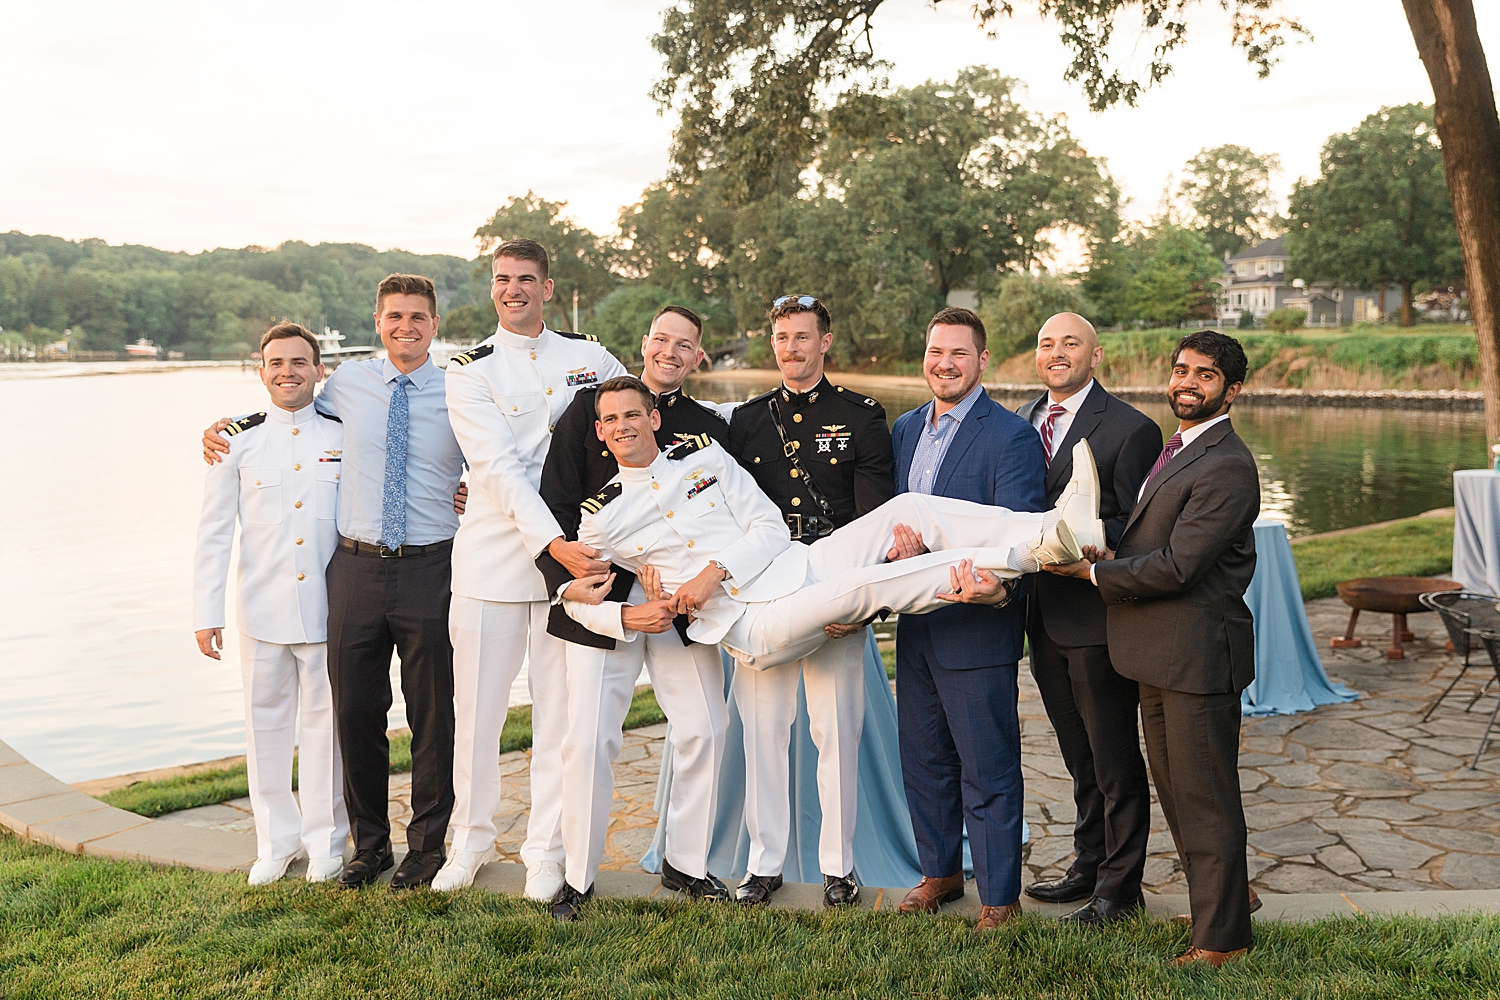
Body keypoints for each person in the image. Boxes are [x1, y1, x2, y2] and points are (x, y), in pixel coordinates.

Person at [563, 375, 1088, 692]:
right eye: (610, 419)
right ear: (602, 432)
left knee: (906, 508)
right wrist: (629, 615)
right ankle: (1028, 554)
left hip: (794, 564)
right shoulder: (600, 516)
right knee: (866, 587)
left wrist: (712, 573)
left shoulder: (703, 455)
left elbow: (769, 526)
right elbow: (572, 599)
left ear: (654, 419)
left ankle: (1054, 529)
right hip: (749, 624)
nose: (622, 424)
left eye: (633, 413)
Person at [204, 274, 466, 889]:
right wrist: (224, 428)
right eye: (394, 316)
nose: (406, 327)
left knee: (433, 714)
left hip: (433, 564)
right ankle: (367, 846)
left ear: (434, 324)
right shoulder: (347, 383)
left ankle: (427, 846)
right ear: (377, 322)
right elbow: (284, 406)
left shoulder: (461, 387)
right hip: (353, 570)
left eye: (418, 317)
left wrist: (472, 491)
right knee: (354, 713)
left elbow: (499, 457)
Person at [1047, 330, 1260, 967]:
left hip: (1197, 656)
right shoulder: (1178, 450)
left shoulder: (1227, 463)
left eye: (1204, 375)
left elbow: (1179, 567)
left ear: (1232, 391)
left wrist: (1091, 576)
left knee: (1205, 796)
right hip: (1157, 654)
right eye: (1180, 371)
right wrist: (1106, 552)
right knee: (1178, 791)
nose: (1187, 383)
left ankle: (1221, 942)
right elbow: (1152, 543)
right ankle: (1225, 898)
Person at [432, 239, 627, 899]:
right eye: (501, 280)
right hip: (494, 563)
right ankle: (470, 842)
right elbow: (497, 471)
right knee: (478, 718)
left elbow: (637, 419)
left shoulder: (589, 357)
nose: (512, 289)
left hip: (569, 572)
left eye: (524, 279)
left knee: (559, 719)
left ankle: (545, 850)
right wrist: (554, 546)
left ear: (548, 287)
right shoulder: (468, 369)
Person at [533, 305, 734, 918]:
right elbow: (554, 506)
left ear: (699, 355)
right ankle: (576, 874)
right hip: (603, 598)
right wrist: (569, 584)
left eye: (686, 344)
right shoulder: (590, 409)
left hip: (682, 604)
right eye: (662, 339)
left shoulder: (708, 427)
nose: (670, 351)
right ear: (644, 343)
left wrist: (699, 589)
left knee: (704, 728)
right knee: (590, 738)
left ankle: (687, 862)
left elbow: (727, 514)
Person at [724, 295, 895, 907]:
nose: (791, 348)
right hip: (764, 591)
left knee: (836, 731)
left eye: (803, 337)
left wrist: (860, 603)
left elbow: (873, 518)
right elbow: (724, 516)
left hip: (831, 584)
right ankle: (764, 864)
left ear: (825, 341)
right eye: (782, 338)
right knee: (762, 732)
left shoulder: (862, 416)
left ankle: (838, 867)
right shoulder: (746, 422)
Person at [885, 307, 1047, 932]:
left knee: (988, 766)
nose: (944, 364)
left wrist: (955, 566)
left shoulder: (1010, 437)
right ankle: (941, 872)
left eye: (958, 353)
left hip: (978, 626)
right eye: (934, 352)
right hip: (917, 625)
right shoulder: (903, 430)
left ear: (982, 361)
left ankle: (1000, 897)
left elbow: (1019, 535)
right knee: (924, 759)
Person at [1014, 313, 1161, 924]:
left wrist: (1098, 542)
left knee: (1113, 756)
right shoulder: (1021, 422)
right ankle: (1088, 863)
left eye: (1069, 343)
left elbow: (1143, 523)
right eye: (1046, 343)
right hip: (1039, 615)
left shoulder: (1132, 429)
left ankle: (1121, 890)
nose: (1056, 353)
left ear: (1095, 355)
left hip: (1097, 616)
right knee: (1077, 753)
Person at [192, 322, 349, 885]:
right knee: (266, 732)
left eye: (299, 362)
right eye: (276, 363)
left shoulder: (342, 433)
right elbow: (214, 533)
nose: (288, 372)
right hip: (261, 612)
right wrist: (205, 614)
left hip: (329, 611)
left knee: (326, 731)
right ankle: (275, 843)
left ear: (319, 371)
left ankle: (327, 840)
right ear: (261, 373)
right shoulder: (237, 440)